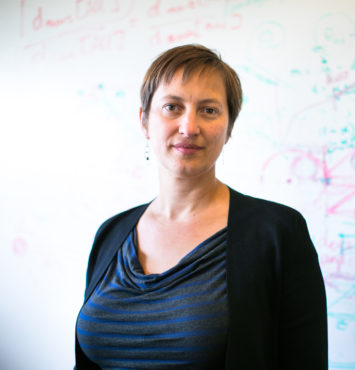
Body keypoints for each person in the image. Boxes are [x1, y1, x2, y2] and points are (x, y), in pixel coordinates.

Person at [74, 44, 328, 369]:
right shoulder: (112, 233)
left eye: (208, 110)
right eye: (172, 107)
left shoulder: (278, 232)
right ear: (144, 120)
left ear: (230, 127)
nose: (189, 127)